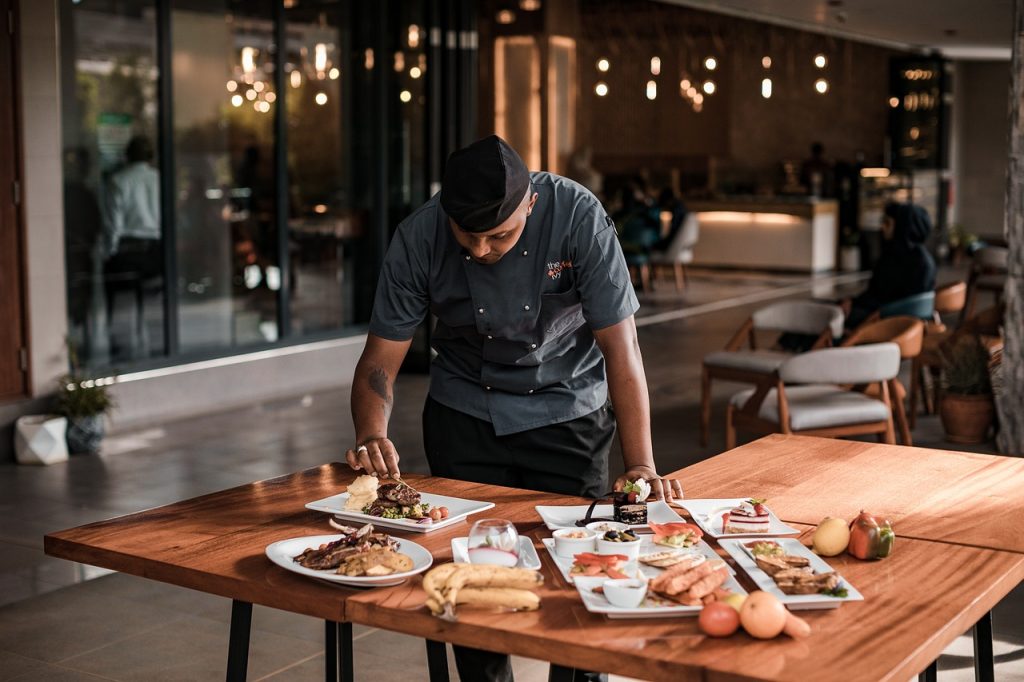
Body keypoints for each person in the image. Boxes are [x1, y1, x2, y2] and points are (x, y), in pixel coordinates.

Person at [345, 135, 682, 682]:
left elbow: (621, 350)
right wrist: (371, 431)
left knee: (576, 572)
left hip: (568, 412)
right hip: (464, 414)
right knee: (473, 579)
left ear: (530, 204)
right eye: (468, 237)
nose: (480, 250)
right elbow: (379, 361)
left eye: (497, 235)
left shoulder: (578, 216)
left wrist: (640, 462)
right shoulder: (418, 236)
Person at [102, 135, 162, 357]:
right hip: (154, 249)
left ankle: (123, 352)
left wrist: (109, 253)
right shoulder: (158, 179)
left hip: (128, 248)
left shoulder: (118, 180)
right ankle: (158, 348)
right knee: (154, 303)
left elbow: (113, 224)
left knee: (123, 305)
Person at [843, 201, 936, 329]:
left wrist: (853, 303)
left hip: (886, 322)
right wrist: (852, 301)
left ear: (903, 227)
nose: (882, 227)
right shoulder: (920, 258)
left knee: (829, 316)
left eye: (887, 223)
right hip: (896, 321)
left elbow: (886, 299)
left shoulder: (908, 261)